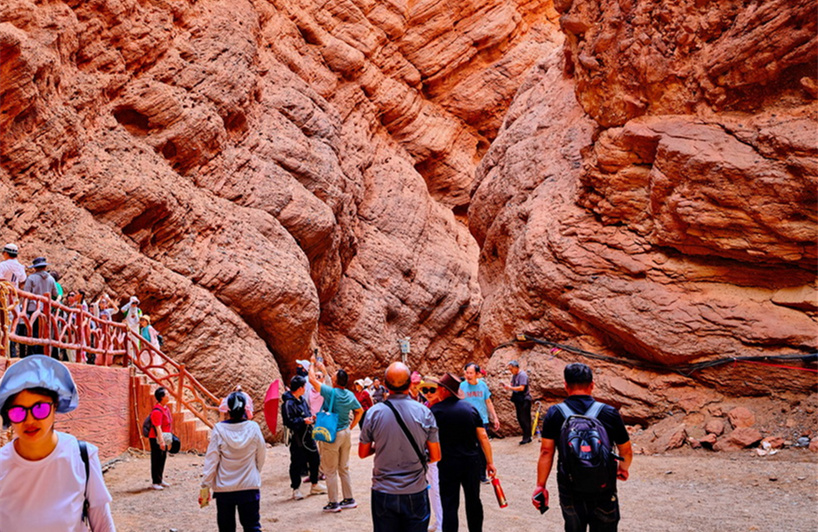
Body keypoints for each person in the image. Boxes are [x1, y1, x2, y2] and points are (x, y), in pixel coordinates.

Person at [0, 355, 116, 531]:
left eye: (40, 408)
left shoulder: (82, 457)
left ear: (55, 407)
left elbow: (103, 524)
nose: (30, 420)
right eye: (18, 411)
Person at [533, 363, 633, 532]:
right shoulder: (609, 412)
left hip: (570, 486)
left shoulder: (555, 413)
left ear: (566, 386)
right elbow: (626, 450)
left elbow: (546, 451)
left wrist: (540, 485)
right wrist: (623, 468)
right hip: (603, 485)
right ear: (592, 385)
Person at [359, 362, 441, 532]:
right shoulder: (424, 412)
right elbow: (436, 455)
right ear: (410, 384)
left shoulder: (373, 413)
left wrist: (381, 445)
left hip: (383, 490)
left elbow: (362, 452)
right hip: (415, 490)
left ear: (385, 385)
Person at [429, 372, 496, 532]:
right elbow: (483, 437)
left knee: (449, 503)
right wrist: (490, 462)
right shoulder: (470, 409)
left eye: (438, 387)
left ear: (445, 390)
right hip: (471, 462)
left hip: (447, 463)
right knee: (473, 500)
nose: (436, 390)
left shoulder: (435, 411)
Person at [200, 391, 266, 532]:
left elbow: (212, 460)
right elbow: (261, 455)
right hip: (249, 486)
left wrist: (205, 485)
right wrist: (254, 471)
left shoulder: (219, 429)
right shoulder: (253, 428)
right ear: (245, 408)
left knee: (226, 528)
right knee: (252, 527)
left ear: (228, 408)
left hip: (225, 489)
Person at [308, 357, 363, 513]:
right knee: (343, 468)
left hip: (332, 434)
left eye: (333, 376)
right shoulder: (350, 395)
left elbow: (312, 379)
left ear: (337, 380)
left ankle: (333, 503)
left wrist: (312, 363)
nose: (331, 377)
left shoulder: (331, 393)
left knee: (330, 470)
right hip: (345, 433)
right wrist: (351, 426)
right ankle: (349, 499)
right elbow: (359, 411)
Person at [281, 375, 326, 500]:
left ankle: (315, 484)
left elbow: (306, 414)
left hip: (308, 435)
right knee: (296, 463)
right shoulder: (288, 404)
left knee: (314, 458)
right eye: (304, 386)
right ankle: (296, 489)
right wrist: (303, 421)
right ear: (300, 388)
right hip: (297, 438)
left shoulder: (302, 400)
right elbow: (288, 421)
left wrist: (311, 418)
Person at [460, 362, 499, 482]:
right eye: (467, 372)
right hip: (466, 420)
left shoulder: (483, 385)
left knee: (482, 447)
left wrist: (494, 417)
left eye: (471, 373)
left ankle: (482, 475)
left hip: (482, 419)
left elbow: (488, 402)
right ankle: (469, 474)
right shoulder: (461, 386)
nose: (468, 375)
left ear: (477, 374)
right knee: (468, 447)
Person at [21, 257, 58, 357]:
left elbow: (26, 294)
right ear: (45, 267)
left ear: (35, 268)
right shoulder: (51, 279)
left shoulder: (31, 278)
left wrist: (23, 308)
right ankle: (43, 354)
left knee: (33, 331)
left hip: (33, 309)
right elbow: (55, 293)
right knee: (44, 332)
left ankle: (32, 355)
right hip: (46, 310)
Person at [420, 379, 444, 532]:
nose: (428, 393)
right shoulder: (427, 408)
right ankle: (438, 521)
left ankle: (441, 523)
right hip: (429, 454)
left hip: (438, 455)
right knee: (432, 489)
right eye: (425, 390)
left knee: (436, 489)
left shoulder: (440, 409)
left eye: (432, 390)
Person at [1, 243, 26, 358]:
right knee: (10, 326)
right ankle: (8, 353)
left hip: (3, 298)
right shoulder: (20, 267)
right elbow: (22, 280)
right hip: (14, 300)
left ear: (6, 253)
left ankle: (3, 353)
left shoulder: (3, 265)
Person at [147, 386, 173, 490]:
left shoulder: (166, 408)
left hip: (165, 436)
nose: (169, 396)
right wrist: (161, 441)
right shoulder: (157, 411)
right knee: (156, 458)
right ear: (162, 397)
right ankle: (155, 481)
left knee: (162, 458)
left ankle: (160, 479)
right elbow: (158, 427)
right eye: (167, 394)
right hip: (156, 438)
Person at [502, 360, 533, 444]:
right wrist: (508, 386)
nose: (510, 371)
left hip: (524, 398)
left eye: (511, 369)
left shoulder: (522, 375)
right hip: (518, 399)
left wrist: (510, 388)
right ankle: (526, 436)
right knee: (520, 418)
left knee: (524, 418)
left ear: (516, 368)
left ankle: (527, 437)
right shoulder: (514, 376)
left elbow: (522, 388)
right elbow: (514, 385)